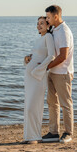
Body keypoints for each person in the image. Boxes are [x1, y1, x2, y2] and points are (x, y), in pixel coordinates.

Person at [42, 5, 74, 143]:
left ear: (56, 16)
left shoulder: (64, 32)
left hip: (62, 73)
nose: (47, 20)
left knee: (65, 103)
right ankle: (53, 132)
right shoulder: (54, 30)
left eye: (48, 17)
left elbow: (63, 56)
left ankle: (68, 133)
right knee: (52, 103)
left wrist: (46, 66)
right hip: (52, 72)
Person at [21, 16, 55, 144]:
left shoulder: (49, 37)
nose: (39, 26)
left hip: (38, 76)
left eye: (42, 23)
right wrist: (27, 59)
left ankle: (35, 136)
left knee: (34, 106)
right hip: (30, 78)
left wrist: (39, 69)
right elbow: (36, 56)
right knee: (28, 106)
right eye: (37, 24)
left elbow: (52, 56)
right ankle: (28, 136)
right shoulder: (39, 39)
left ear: (48, 25)